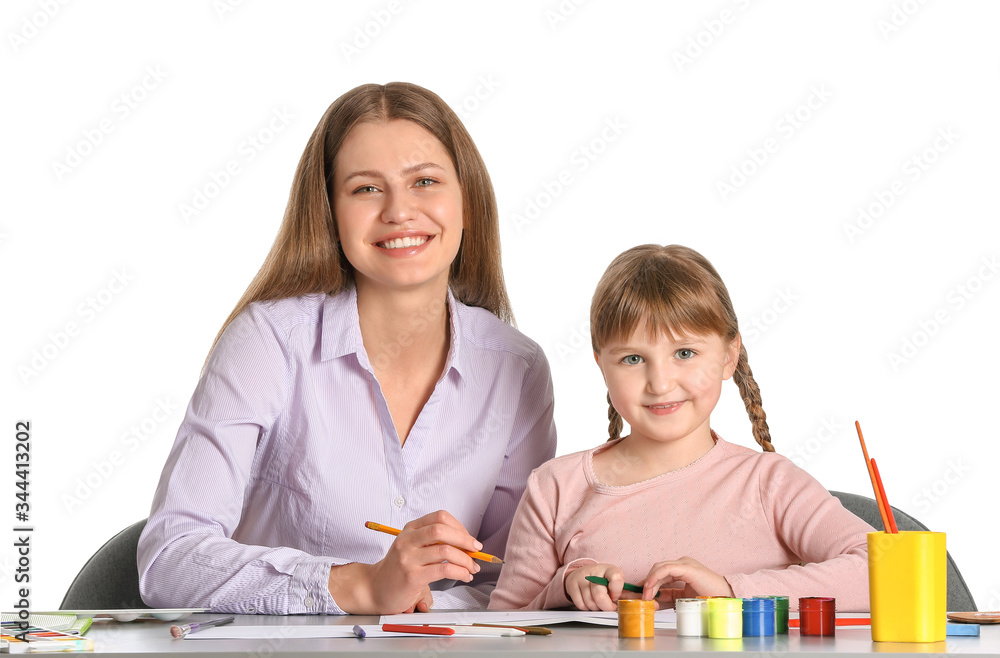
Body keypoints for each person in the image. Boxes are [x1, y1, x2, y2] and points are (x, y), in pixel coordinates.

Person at [137, 82, 556, 615]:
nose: (400, 211)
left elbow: (513, 579)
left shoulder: (518, 368)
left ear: (467, 202)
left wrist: (421, 604)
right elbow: (170, 558)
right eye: (365, 189)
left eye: (425, 181)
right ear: (330, 216)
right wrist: (360, 588)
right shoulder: (268, 341)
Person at [489, 244, 873, 612]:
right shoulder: (554, 488)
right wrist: (565, 588)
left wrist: (729, 591)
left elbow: (878, 572)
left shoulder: (770, 483)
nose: (660, 383)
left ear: (728, 356)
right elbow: (500, 626)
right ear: (601, 365)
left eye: (684, 353)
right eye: (633, 358)